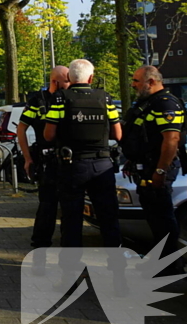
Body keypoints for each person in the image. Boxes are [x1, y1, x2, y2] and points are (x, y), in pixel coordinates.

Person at [43, 59, 122, 250]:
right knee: (109, 218)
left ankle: (71, 271)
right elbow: (118, 134)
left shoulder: (61, 98)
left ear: (69, 76)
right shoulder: (105, 98)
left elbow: (48, 135)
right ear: (91, 77)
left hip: (73, 165)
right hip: (102, 164)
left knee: (71, 220)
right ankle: (117, 268)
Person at [121, 65, 187, 274]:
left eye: (136, 81)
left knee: (163, 216)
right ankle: (159, 260)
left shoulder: (166, 104)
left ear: (150, 81)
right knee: (154, 216)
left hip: (158, 168)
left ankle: (171, 264)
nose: (133, 84)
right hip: (145, 167)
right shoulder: (147, 103)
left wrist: (160, 171)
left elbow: (172, 139)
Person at [18, 65, 71, 248]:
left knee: (69, 208)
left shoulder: (70, 98)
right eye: (67, 80)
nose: (70, 84)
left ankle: (68, 247)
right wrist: (27, 158)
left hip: (69, 161)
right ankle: (40, 246)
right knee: (47, 207)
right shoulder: (37, 101)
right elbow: (21, 127)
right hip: (47, 161)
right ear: (56, 82)